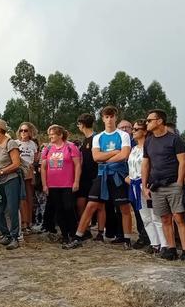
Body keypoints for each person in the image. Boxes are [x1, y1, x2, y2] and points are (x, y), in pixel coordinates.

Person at [64, 107, 134, 250]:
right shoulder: (98, 137)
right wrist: (115, 152)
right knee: (91, 205)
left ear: (115, 117)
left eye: (111, 116)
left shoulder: (123, 135)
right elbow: (96, 157)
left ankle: (127, 239)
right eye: (106, 117)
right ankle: (78, 237)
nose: (109, 119)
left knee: (124, 207)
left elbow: (125, 154)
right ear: (102, 119)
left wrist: (106, 158)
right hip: (102, 175)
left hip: (118, 174)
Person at [141, 109, 185, 261]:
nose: (146, 123)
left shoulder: (174, 139)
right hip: (156, 186)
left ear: (159, 121)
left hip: (172, 184)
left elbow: (183, 162)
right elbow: (145, 164)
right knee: (164, 218)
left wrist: (179, 183)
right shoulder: (148, 141)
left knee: (179, 217)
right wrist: (145, 186)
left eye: (149, 120)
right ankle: (171, 249)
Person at [127, 119, 166, 254]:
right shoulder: (133, 149)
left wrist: (146, 183)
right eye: (133, 129)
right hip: (135, 185)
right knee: (145, 217)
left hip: (147, 185)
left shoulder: (149, 147)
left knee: (156, 216)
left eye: (136, 129)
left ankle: (164, 244)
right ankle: (154, 243)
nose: (133, 131)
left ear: (144, 132)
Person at [41, 125, 82, 244]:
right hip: (53, 185)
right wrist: (44, 184)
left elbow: (77, 165)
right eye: (49, 134)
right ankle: (64, 235)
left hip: (67, 184)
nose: (50, 137)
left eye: (53, 134)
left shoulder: (70, 147)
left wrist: (76, 181)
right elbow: (43, 168)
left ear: (60, 135)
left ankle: (74, 233)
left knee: (69, 208)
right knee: (58, 210)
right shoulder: (47, 149)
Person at [0, 118, 22, 249]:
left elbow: (16, 164)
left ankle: (14, 237)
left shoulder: (10, 143)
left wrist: (0, 171)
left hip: (11, 180)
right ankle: (5, 234)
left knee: (12, 209)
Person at [17, 122, 39, 233]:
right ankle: (23, 222)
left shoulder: (33, 144)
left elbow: (35, 160)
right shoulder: (15, 143)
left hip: (29, 173)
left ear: (29, 132)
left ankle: (29, 222)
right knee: (21, 198)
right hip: (19, 172)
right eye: (21, 130)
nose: (23, 132)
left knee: (30, 198)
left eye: (25, 130)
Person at [75, 113, 98, 217]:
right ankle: (84, 226)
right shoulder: (85, 140)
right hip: (84, 175)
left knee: (96, 203)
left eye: (78, 124)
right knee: (81, 200)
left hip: (94, 175)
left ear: (82, 124)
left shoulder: (96, 138)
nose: (78, 126)